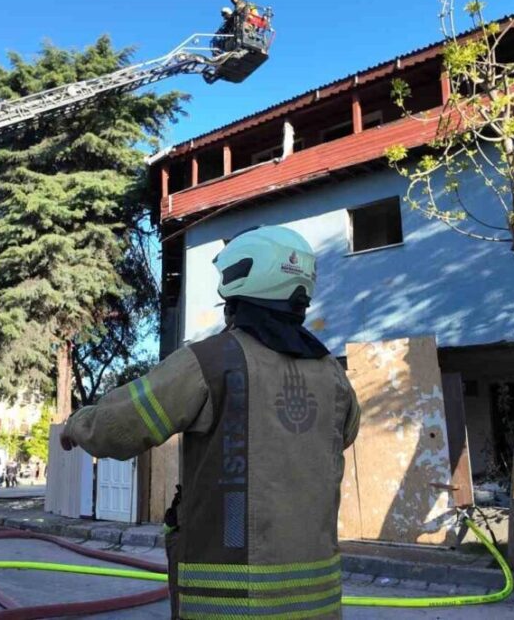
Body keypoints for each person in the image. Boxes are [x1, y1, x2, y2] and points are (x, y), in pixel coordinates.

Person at [62, 226, 361, 620]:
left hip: (229, 604)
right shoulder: (333, 375)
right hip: (318, 605)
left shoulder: (211, 362)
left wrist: (76, 424)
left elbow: (120, 426)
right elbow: (343, 436)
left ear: (237, 293)